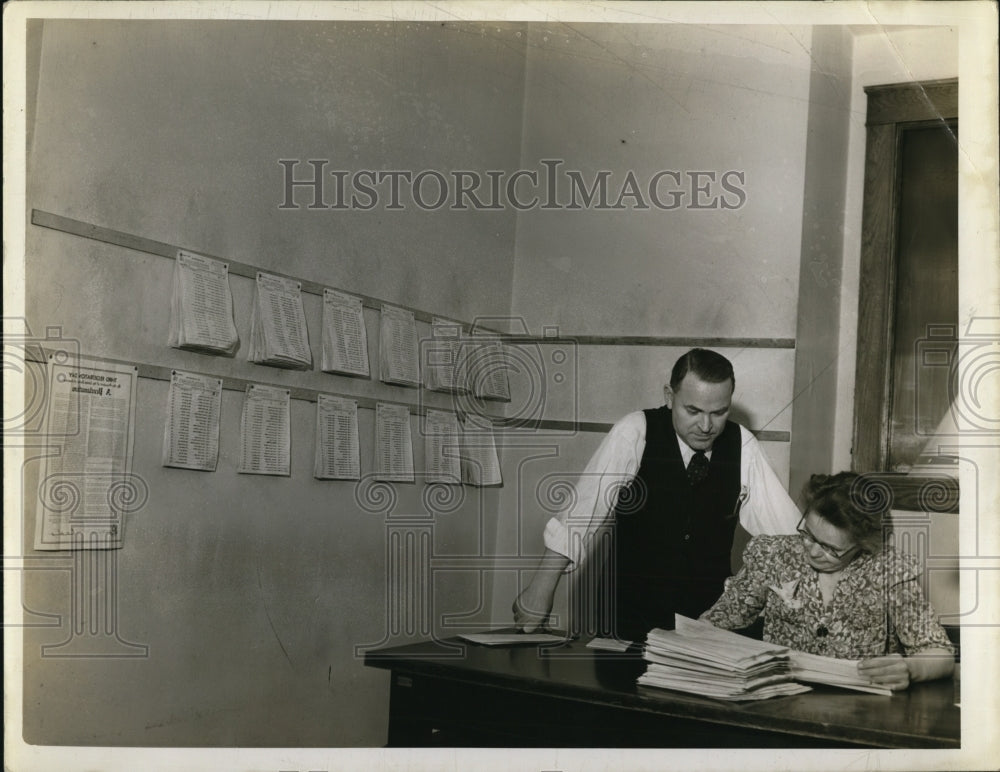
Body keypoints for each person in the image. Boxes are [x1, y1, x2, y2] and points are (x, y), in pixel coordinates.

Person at [513, 348, 801, 640]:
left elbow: (790, 539)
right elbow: (582, 510)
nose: (706, 426)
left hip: (707, 628)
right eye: (693, 411)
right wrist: (541, 588)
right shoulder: (635, 431)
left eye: (719, 412)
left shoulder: (743, 445)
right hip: (627, 620)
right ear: (669, 396)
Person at [701, 471, 955, 691]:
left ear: (863, 544)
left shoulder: (890, 571)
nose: (812, 551)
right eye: (808, 535)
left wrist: (910, 669)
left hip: (861, 709)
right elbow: (718, 621)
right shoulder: (773, 555)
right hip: (777, 699)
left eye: (830, 549)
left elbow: (940, 654)